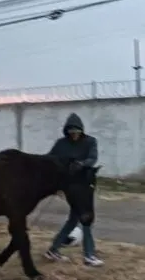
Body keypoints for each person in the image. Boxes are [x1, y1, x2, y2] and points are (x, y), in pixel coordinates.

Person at [43, 112, 104, 267]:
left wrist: (82, 164)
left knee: (74, 219)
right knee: (85, 218)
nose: (74, 135)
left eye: (76, 132)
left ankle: (53, 250)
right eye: (71, 133)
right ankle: (89, 255)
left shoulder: (90, 142)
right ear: (67, 132)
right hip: (69, 185)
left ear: (81, 131)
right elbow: (49, 160)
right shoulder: (61, 144)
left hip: (85, 185)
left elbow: (93, 158)